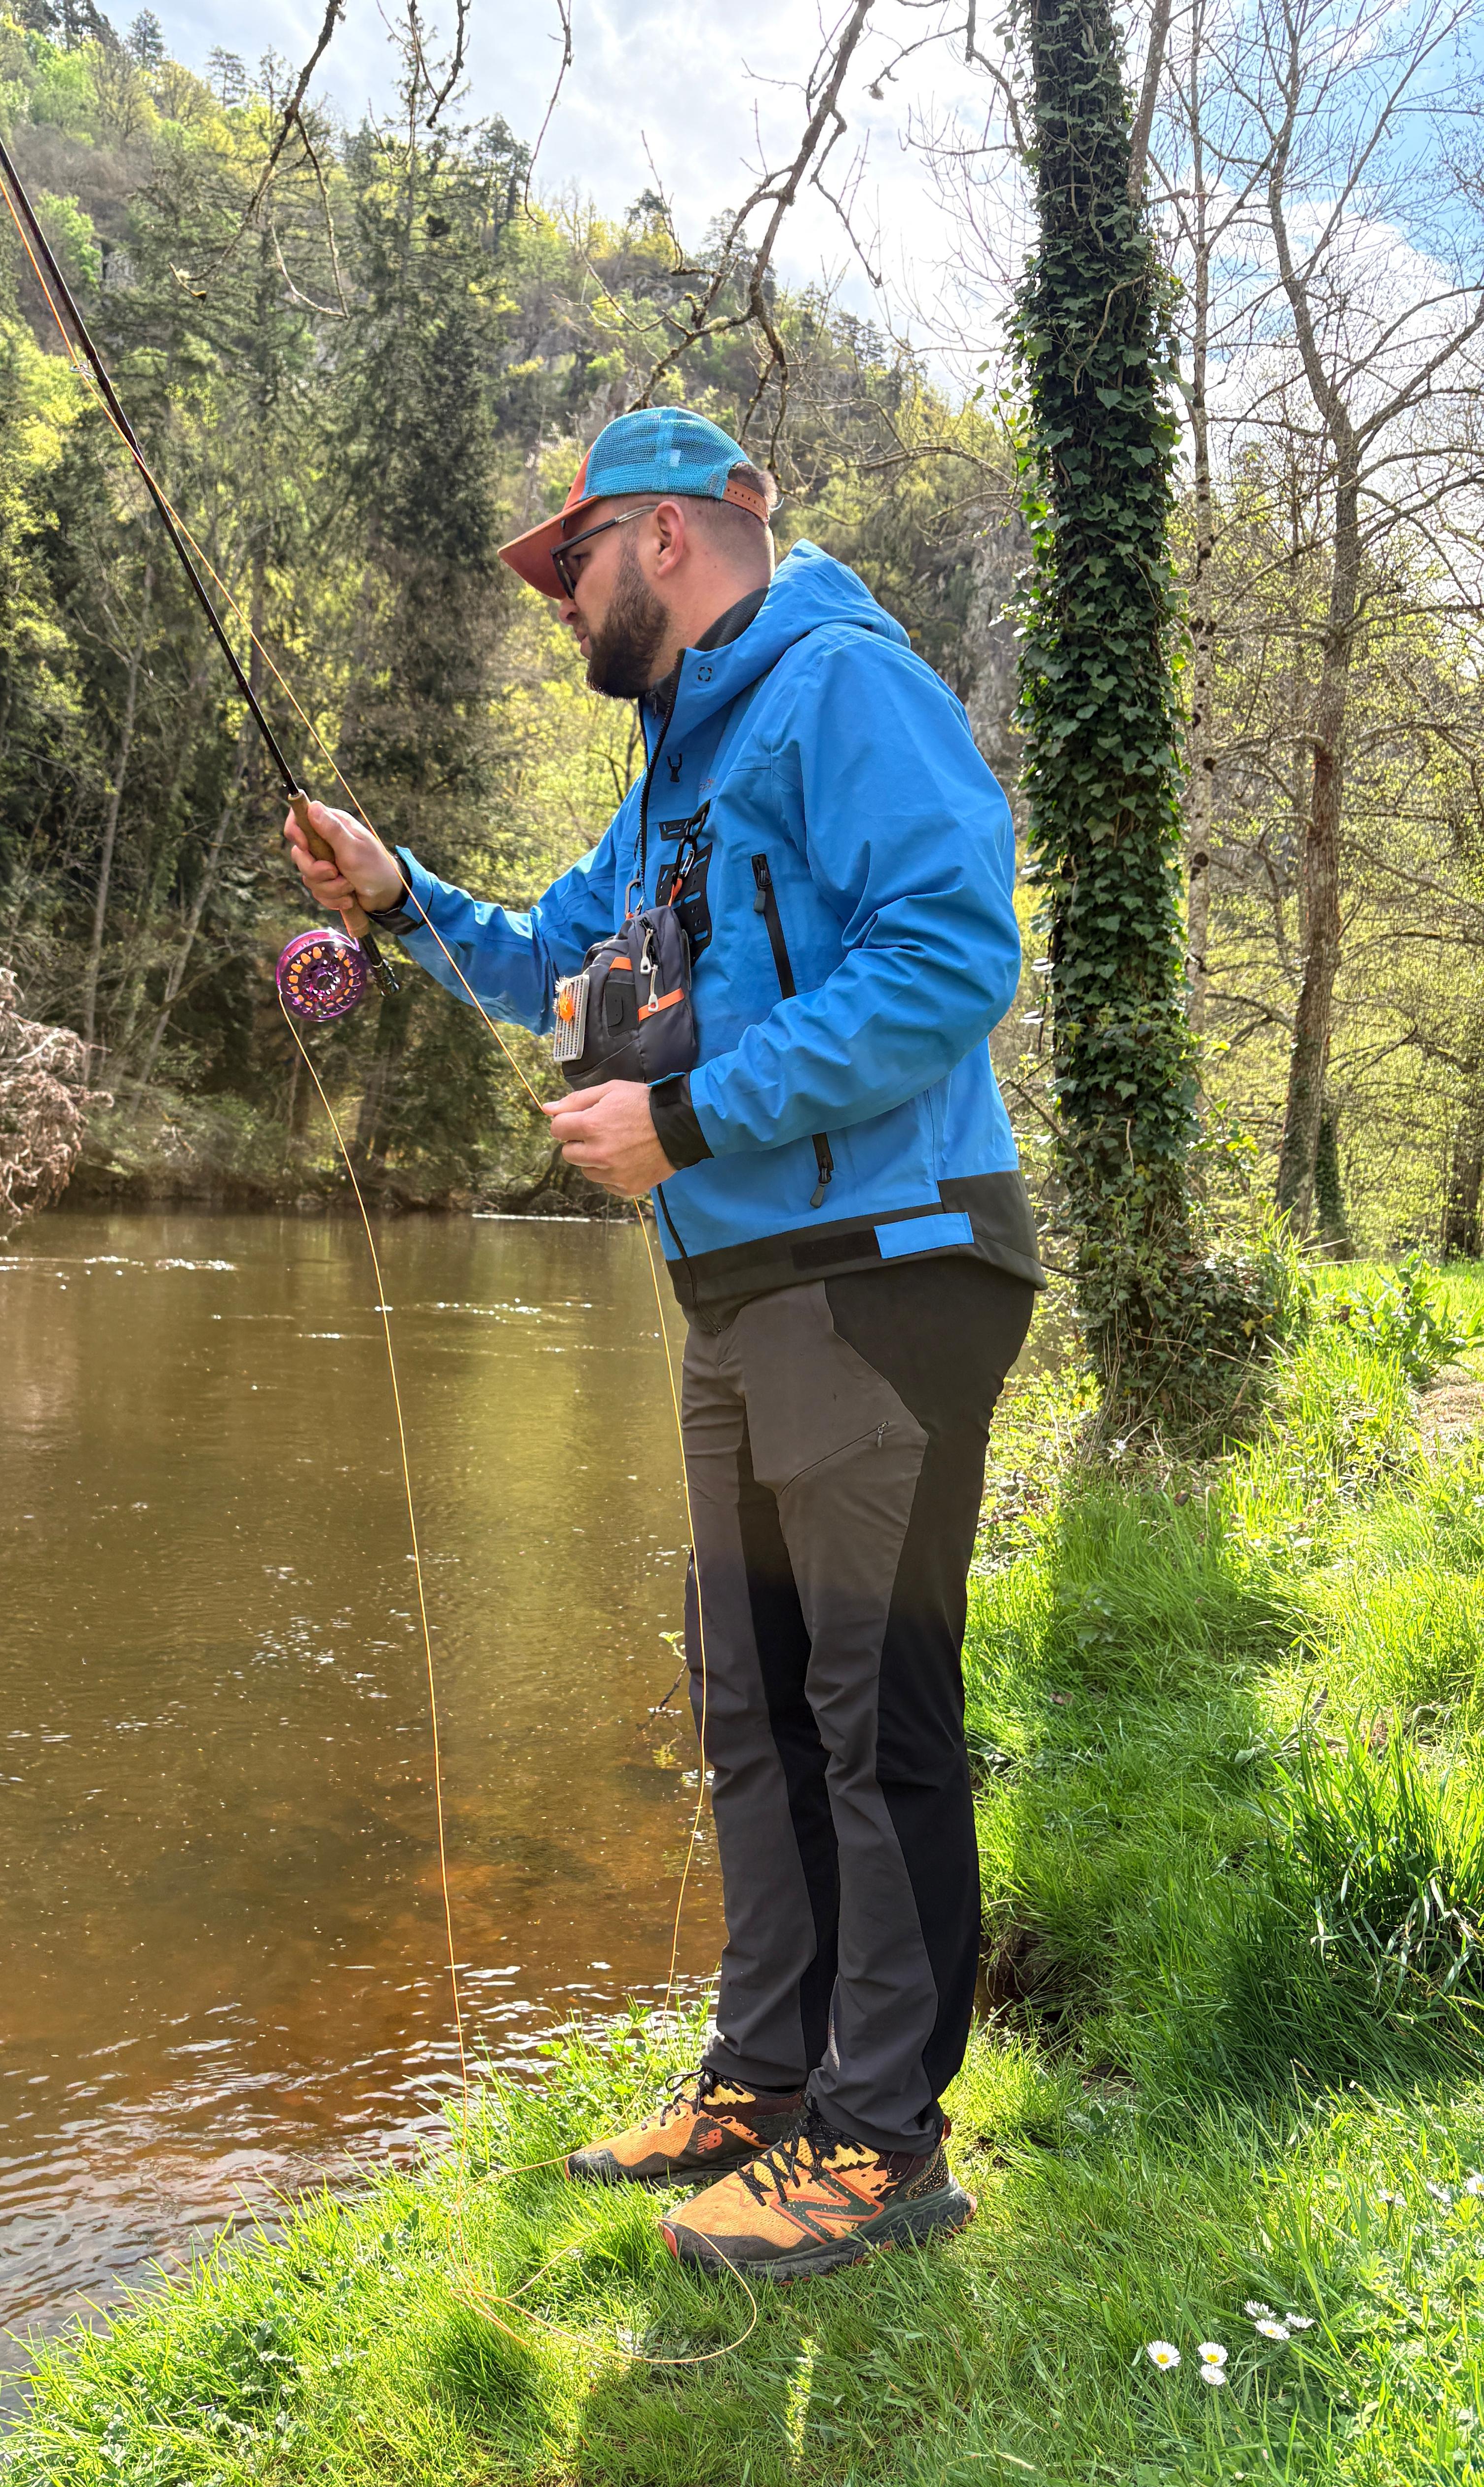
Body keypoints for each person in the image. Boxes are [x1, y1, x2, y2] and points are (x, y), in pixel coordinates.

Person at [286, 406, 1041, 2284]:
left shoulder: (846, 687)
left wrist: (690, 1122)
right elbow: (543, 949)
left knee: (877, 1720)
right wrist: (395, 898)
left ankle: (885, 2150)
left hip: (887, 1272)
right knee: (755, 1713)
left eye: (573, 565)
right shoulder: (676, 766)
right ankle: (768, 2084)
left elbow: (956, 953)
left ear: (671, 540)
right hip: (743, 1292)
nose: (559, 601)